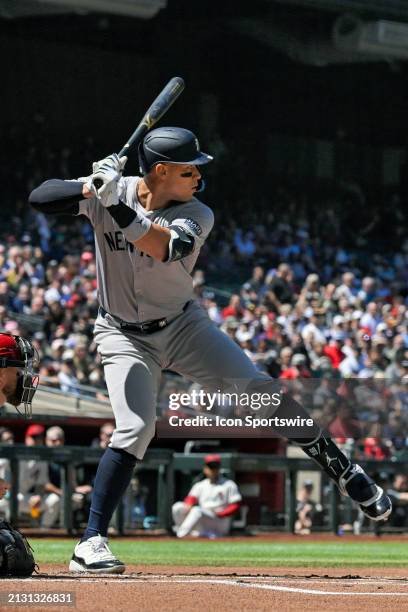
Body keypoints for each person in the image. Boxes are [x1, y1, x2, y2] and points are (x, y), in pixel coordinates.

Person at [29, 126, 391, 574]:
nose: (198, 177)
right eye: (189, 170)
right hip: (122, 334)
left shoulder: (198, 212)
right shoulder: (110, 189)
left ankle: (344, 470)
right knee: (136, 427)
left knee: (260, 393)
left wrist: (114, 203)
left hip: (183, 325)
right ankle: (91, 542)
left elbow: (165, 247)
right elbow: (40, 197)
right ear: (160, 171)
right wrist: (89, 185)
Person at [172, 454, 241, 538]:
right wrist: (188, 505)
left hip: (220, 520)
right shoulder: (200, 485)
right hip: (203, 516)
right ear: (205, 469)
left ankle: (180, 535)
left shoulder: (229, 484)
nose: (212, 470)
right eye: (210, 467)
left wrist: (221, 513)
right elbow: (191, 498)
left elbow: (235, 505)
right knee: (177, 507)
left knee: (197, 510)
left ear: (219, 468)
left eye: (215, 467)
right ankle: (188, 532)